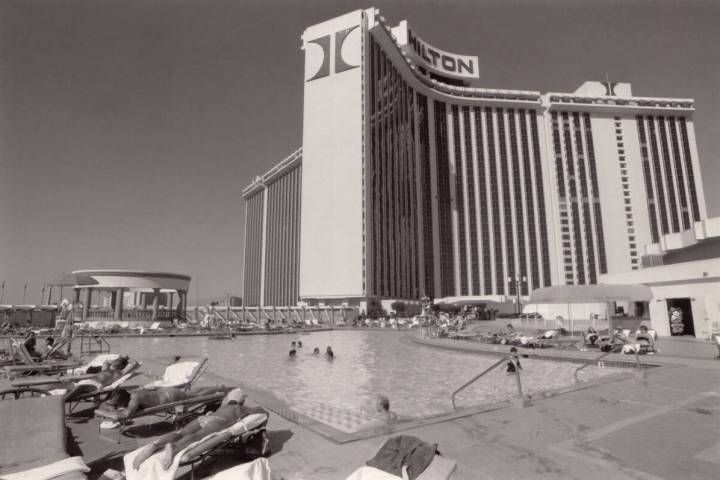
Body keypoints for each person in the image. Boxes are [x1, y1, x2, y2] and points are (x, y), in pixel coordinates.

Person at [131, 388, 267, 470]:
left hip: (203, 418)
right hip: (217, 422)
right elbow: (260, 411)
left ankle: (155, 445)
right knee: (198, 437)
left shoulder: (222, 407)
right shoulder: (239, 408)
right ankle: (174, 447)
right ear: (241, 401)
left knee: (181, 433)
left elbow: (216, 411)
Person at [101, 385, 228, 421]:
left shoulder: (134, 399)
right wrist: (110, 406)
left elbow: (126, 415)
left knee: (198, 395)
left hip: (172, 397)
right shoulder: (130, 393)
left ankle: (218, 390)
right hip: (166, 392)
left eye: (116, 404)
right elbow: (109, 402)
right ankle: (217, 387)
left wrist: (108, 411)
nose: (116, 406)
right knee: (194, 392)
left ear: (123, 399)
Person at [60, 356, 139, 402]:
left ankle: (60, 402)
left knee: (79, 388)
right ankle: (58, 399)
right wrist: (119, 358)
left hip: (96, 385)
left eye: (119, 361)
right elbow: (106, 361)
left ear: (122, 366)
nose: (116, 361)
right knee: (63, 384)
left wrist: (127, 358)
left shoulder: (121, 373)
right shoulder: (105, 369)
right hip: (87, 380)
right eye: (116, 360)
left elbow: (135, 363)